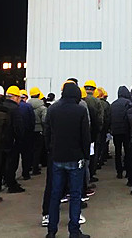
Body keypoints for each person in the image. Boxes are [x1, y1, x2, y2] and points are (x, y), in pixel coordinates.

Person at [45, 80, 90, 238]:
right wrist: (86, 155)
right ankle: (74, 231)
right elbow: (85, 136)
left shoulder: (52, 109)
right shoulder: (80, 110)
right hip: (76, 158)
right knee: (75, 195)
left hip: (57, 157)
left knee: (55, 195)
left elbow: (47, 132)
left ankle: (51, 231)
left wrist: (50, 150)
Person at [3, 85, 25, 193]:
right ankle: (11, 184)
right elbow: (18, 127)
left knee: (2, 163)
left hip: (2, 140)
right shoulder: (16, 109)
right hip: (13, 141)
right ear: (15, 97)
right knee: (12, 163)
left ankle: (3, 181)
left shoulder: (2, 106)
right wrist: (20, 139)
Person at [83, 80, 104, 181]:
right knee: (92, 154)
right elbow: (100, 118)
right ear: (94, 89)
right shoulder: (97, 101)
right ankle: (90, 174)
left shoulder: (81, 99)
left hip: (82, 132)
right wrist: (99, 130)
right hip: (93, 133)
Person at [110, 85, 131, 179]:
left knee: (117, 152)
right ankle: (128, 171)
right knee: (128, 151)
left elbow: (110, 118)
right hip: (126, 131)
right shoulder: (128, 103)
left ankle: (119, 172)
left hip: (116, 131)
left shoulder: (113, 104)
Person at [28, 87, 47, 175]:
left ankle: (29, 166)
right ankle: (35, 168)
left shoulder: (27, 105)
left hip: (29, 130)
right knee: (37, 150)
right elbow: (44, 120)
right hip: (39, 130)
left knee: (30, 149)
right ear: (39, 95)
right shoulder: (42, 107)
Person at [18, 89, 36, 180]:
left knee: (13, 157)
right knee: (26, 155)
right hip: (27, 134)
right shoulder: (28, 107)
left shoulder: (15, 106)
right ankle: (26, 173)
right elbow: (32, 121)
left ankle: (7, 178)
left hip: (16, 135)